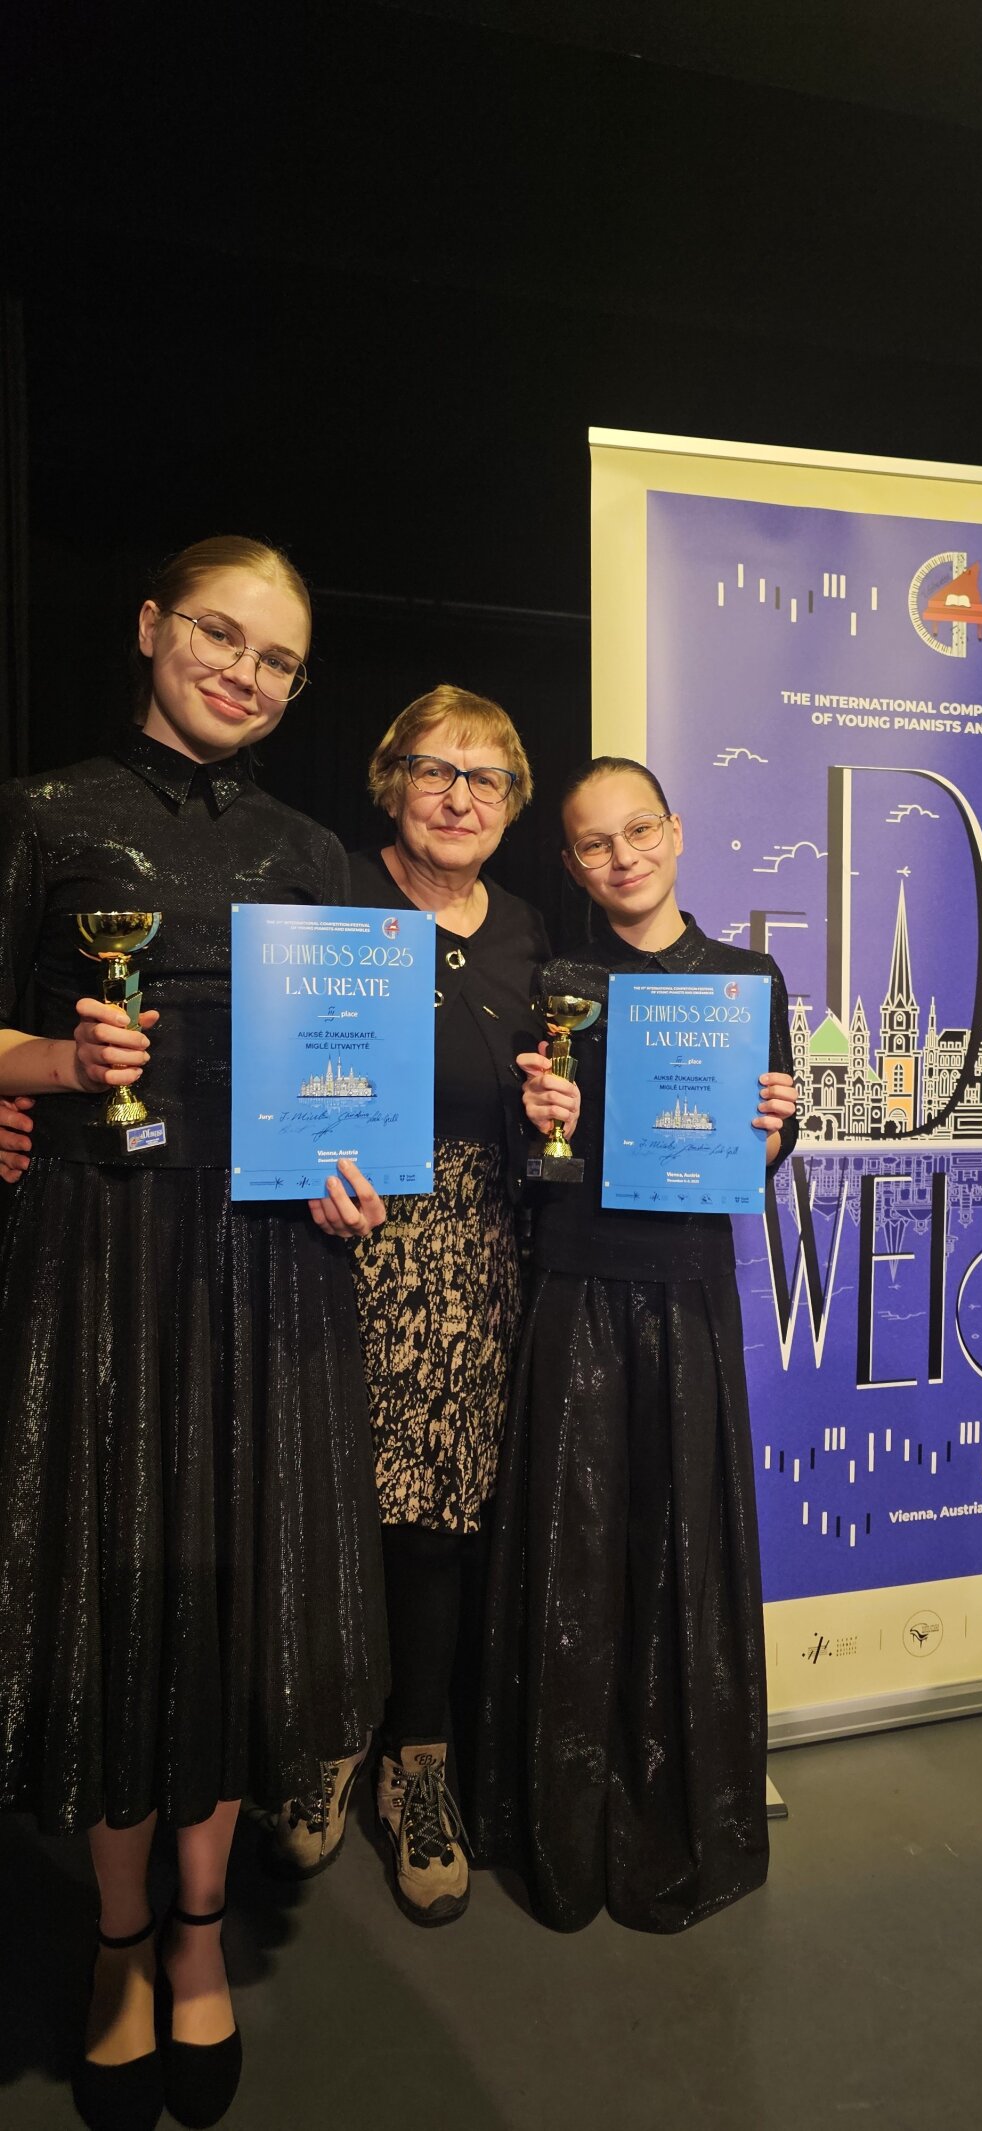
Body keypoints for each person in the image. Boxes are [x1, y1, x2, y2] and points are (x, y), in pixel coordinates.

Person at [0, 537, 391, 2131]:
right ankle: (116, 1939)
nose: (245, 671)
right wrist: (46, 1062)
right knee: (114, 1595)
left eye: (278, 657)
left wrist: (360, 1174)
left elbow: (359, 1068)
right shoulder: (41, 816)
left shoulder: (313, 849)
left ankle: (200, 1928)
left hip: (269, 1264)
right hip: (96, 1260)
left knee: (232, 1594)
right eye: (222, 634)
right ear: (153, 624)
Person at [267, 686, 578, 1928]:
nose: (459, 797)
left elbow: (540, 1106)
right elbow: (271, 1071)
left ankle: (420, 1764)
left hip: (472, 1254)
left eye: (485, 778)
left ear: (512, 804)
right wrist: (304, 1172)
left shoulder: (529, 933)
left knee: (437, 1525)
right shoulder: (327, 894)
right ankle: (322, 1738)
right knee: (322, 1501)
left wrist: (554, 1113)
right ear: (389, 780)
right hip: (323, 1238)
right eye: (435, 770)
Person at [476, 755, 798, 1934]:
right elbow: (532, 1170)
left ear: (676, 831)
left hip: (689, 1291)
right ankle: (561, 1826)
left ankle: (680, 1813)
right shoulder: (556, 982)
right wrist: (542, 1126)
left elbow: (766, 1151)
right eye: (594, 842)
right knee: (574, 1551)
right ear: (570, 863)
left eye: (639, 831)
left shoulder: (748, 978)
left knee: (681, 1548)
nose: (623, 856)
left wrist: (772, 1134)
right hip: (576, 1284)